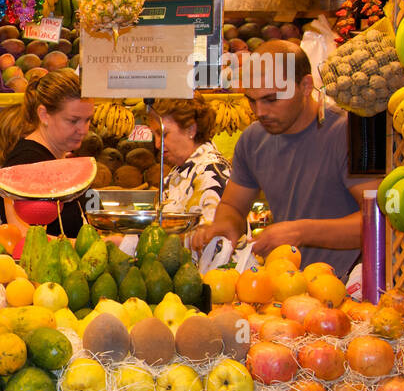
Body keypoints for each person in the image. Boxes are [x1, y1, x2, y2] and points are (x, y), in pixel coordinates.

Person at [190, 40, 380, 277]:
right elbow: (233, 206)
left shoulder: (350, 135)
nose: (259, 112)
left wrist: (301, 232)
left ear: (306, 86)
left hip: (348, 286)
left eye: (271, 99)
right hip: (283, 286)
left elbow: (378, 221)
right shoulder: (252, 140)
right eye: (251, 100)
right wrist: (223, 226)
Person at [0, 70, 95, 239]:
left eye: (87, 120)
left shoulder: (57, 157)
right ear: (44, 115)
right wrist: (88, 246)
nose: (83, 130)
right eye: (73, 120)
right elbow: (24, 236)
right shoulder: (25, 161)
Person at [148, 94, 231, 225]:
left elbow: (215, 238)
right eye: (155, 136)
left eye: (163, 134)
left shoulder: (213, 172)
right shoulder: (178, 172)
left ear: (191, 129)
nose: (157, 144)